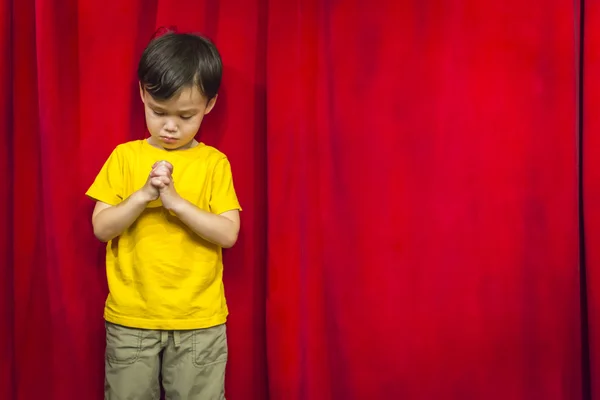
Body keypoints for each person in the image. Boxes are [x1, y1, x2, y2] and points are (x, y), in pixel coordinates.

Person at [86, 31, 241, 400]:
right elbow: (100, 227)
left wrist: (177, 203)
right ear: (142, 94)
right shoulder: (124, 157)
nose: (170, 126)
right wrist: (142, 196)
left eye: (185, 116)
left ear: (210, 104)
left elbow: (229, 233)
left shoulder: (214, 163)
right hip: (131, 320)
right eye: (158, 112)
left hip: (198, 322)